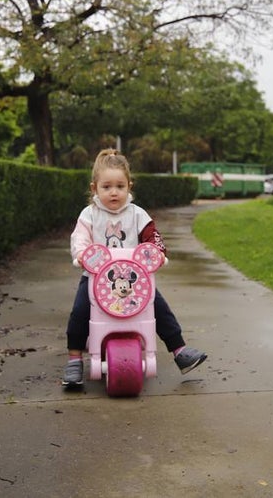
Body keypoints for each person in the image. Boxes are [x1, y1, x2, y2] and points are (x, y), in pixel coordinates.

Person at [62, 149, 207, 388]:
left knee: (158, 307)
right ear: (94, 188)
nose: (114, 192)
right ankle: (74, 359)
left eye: (120, 186)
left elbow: (153, 236)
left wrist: (158, 252)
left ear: (129, 186)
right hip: (95, 278)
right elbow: (80, 238)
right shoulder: (89, 215)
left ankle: (179, 350)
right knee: (80, 311)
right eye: (106, 187)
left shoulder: (137, 214)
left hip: (135, 280)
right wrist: (81, 254)